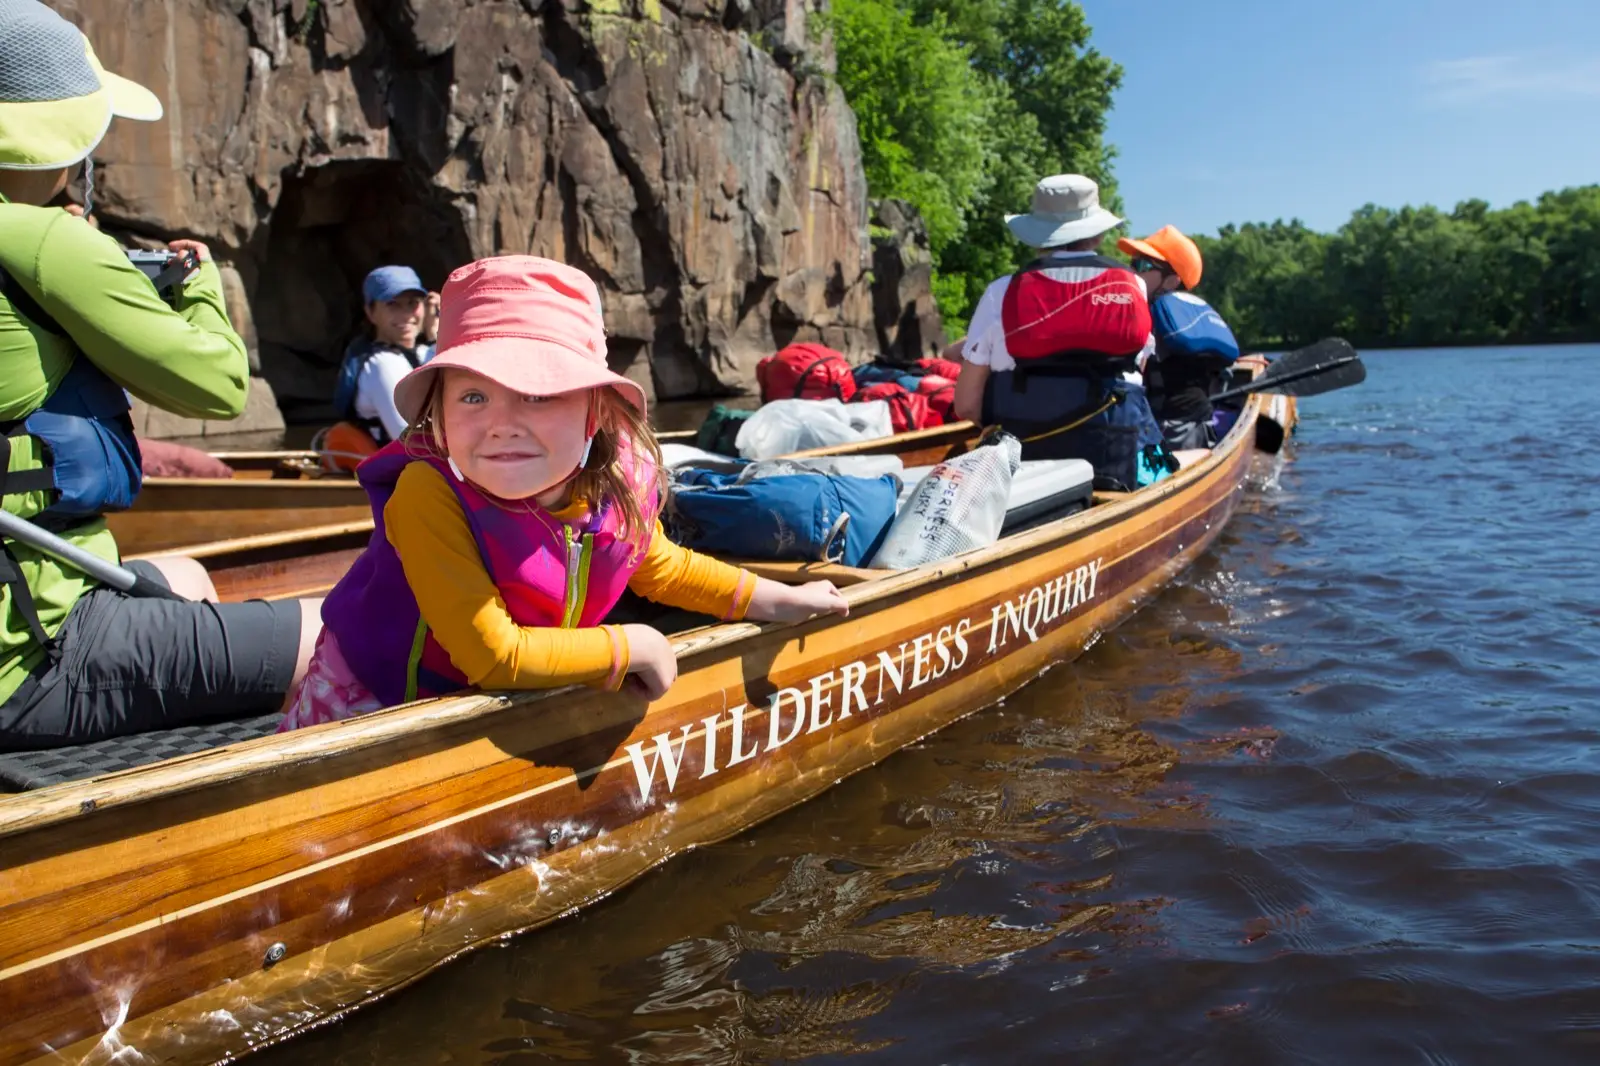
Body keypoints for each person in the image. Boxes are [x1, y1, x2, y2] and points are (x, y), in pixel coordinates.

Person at [281, 256, 850, 729]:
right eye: (473, 397)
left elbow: (659, 566)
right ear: (440, 414)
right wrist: (631, 645)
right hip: (380, 701)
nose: (502, 422)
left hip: (509, 686)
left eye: (538, 395)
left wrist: (774, 598)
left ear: (595, 411)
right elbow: (495, 656)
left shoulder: (613, 480)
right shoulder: (428, 493)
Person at [0, 0, 320, 751]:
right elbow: (214, 385)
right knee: (341, 632)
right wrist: (202, 286)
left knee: (188, 575)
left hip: (44, 594)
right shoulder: (47, 242)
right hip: (32, 657)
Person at [951, 174, 1178, 491]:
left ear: (1038, 235)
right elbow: (1135, 380)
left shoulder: (1001, 292)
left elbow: (965, 405)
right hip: (1112, 462)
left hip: (1023, 472)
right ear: (1097, 235)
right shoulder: (1133, 286)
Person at [1118, 225, 1241, 450]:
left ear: (1172, 281)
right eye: (1132, 264)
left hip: (1171, 431)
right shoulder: (1190, 316)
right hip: (1188, 425)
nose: (1132, 272)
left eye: (1142, 265)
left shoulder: (1157, 315)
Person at [319, 265, 441, 469]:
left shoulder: (424, 351)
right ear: (371, 312)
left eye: (413, 303)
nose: (406, 315)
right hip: (403, 477)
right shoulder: (381, 364)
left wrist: (436, 335)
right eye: (393, 304)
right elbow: (413, 441)